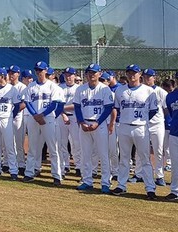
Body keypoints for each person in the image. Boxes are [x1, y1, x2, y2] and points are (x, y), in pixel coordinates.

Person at [112, 64, 158, 199]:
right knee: (124, 158)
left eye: (135, 73)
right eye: (129, 73)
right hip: (124, 126)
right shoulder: (120, 90)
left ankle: (150, 188)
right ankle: (121, 185)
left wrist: (143, 120)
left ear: (140, 75)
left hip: (140, 127)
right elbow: (117, 108)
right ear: (126, 74)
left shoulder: (149, 91)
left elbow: (153, 110)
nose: (132, 75)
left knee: (144, 158)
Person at [21, 61, 63, 186]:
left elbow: (54, 104)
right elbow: (27, 102)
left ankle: (57, 175)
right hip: (34, 118)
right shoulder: (31, 86)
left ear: (46, 71)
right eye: (37, 70)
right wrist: (35, 115)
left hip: (48, 118)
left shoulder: (52, 86)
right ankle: (29, 173)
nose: (39, 72)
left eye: (41, 70)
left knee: (53, 148)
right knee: (33, 147)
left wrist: (42, 115)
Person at [73, 64, 114, 193]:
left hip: (99, 124)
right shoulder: (80, 89)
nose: (92, 75)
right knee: (85, 154)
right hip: (85, 124)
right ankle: (87, 181)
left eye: (94, 72)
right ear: (86, 74)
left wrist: (98, 122)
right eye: (89, 72)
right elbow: (77, 107)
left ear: (99, 74)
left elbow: (108, 108)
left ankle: (105, 183)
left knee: (103, 154)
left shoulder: (105, 89)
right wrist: (80, 122)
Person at [0, 68, 22, 179]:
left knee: (9, 146)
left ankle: (13, 171)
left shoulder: (12, 89)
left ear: (2, 76)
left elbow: (17, 105)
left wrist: (12, 116)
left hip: (6, 119)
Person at [163, 76, 178, 201]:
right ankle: (175, 191)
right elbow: (172, 113)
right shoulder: (170, 96)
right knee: (175, 164)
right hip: (175, 133)